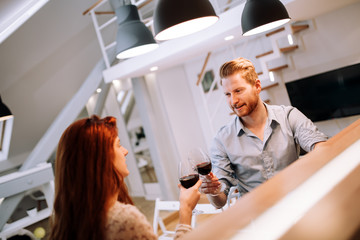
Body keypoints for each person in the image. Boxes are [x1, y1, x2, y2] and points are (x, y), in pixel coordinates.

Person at [200, 57, 328, 208]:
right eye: (227, 94)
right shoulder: (221, 140)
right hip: (260, 216)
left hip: (300, 203)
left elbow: (321, 147)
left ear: (257, 86)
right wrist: (213, 191)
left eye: (238, 91)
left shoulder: (289, 116)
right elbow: (220, 202)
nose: (233, 101)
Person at [49, 115, 201, 240]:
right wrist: (186, 210)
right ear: (100, 158)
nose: (126, 151)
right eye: (118, 145)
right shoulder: (124, 221)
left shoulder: (65, 219)